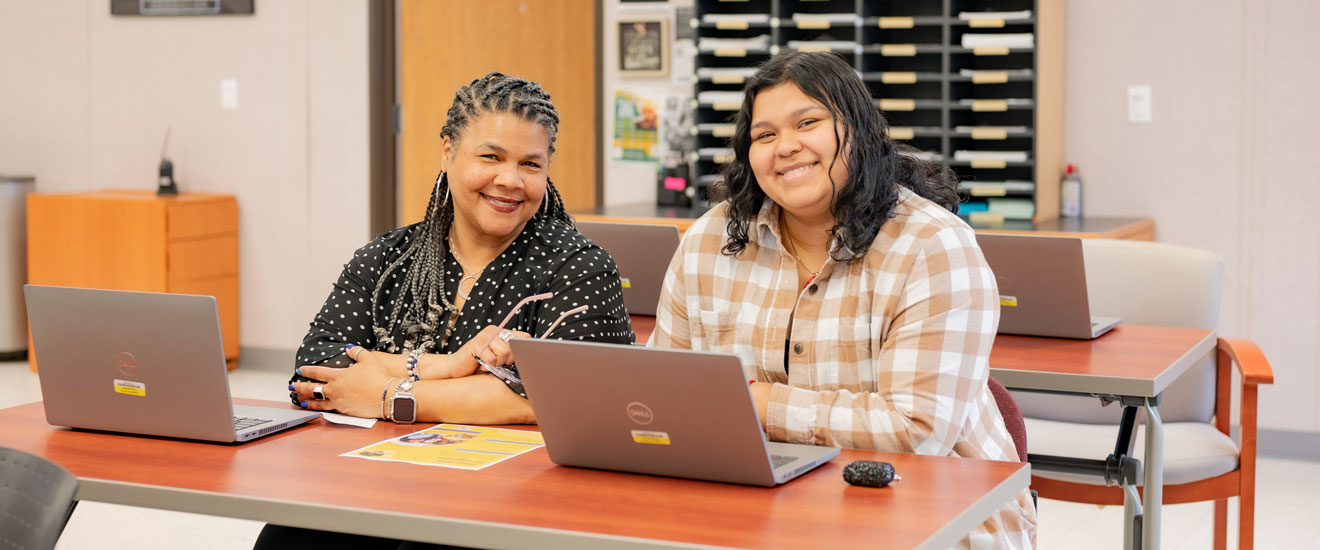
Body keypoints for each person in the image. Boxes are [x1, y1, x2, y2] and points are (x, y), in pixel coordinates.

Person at [648, 51, 1036, 548]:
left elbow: (917, 431)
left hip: (934, 512)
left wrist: (761, 404)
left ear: (858, 131)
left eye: (806, 122)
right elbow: (666, 391)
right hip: (760, 506)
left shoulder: (933, 246)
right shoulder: (709, 239)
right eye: (764, 135)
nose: (785, 146)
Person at [262, 72, 633, 549]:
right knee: (286, 539)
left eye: (530, 164)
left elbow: (577, 398)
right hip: (378, 480)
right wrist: (452, 368)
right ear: (447, 152)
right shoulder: (387, 258)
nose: (510, 180)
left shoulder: (579, 267)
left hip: (512, 498)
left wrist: (387, 394)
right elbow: (317, 367)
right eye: (491, 157)